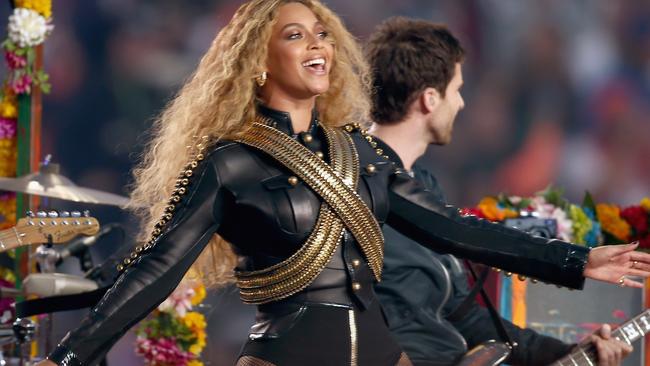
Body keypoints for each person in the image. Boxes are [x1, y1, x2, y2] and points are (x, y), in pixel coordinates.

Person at [37, 2, 650, 366]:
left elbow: (457, 229)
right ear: (257, 60)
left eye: (323, 32)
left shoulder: (361, 151)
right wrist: (69, 357)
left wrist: (578, 260)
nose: (318, 44)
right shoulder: (229, 163)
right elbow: (154, 272)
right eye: (295, 34)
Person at [366, 17, 634, 366]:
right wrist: (577, 260)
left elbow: (466, 317)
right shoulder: (358, 182)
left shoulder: (425, 186)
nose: (461, 103)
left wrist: (568, 353)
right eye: (457, 90)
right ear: (430, 99)